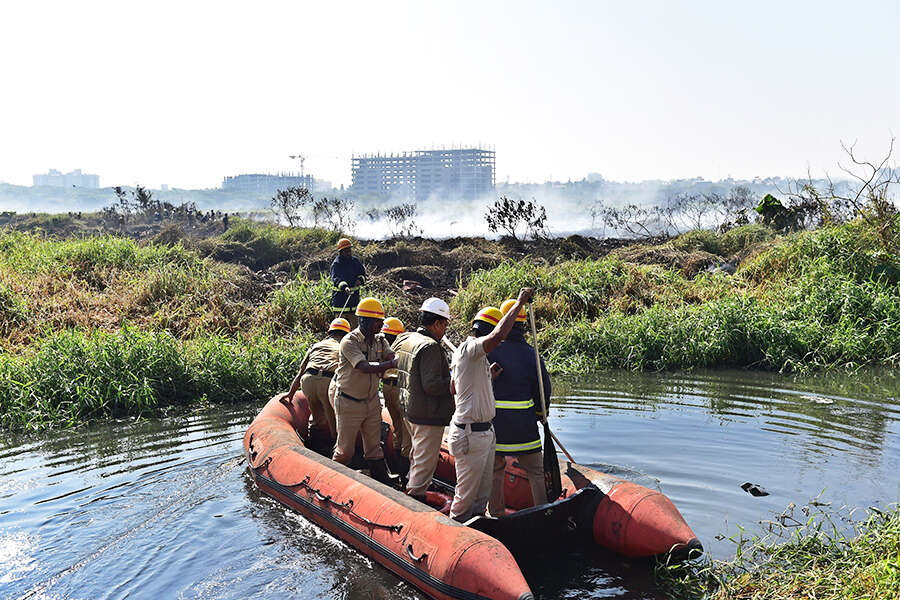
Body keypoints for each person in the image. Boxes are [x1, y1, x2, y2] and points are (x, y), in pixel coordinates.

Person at [447, 287, 534, 522]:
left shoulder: (475, 360)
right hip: (470, 434)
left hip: (484, 433)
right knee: (465, 499)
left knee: (481, 497)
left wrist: (487, 379)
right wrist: (519, 303)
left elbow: (455, 388)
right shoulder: (468, 349)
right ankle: (456, 534)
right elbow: (497, 337)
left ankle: (477, 528)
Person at [487, 299, 552, 515]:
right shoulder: (532, 355)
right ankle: (542, 513)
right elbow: (544, 390)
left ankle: (495, 514)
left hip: (497, 426)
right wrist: (541, 415)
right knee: (536, 471)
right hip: (525, 428)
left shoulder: (491, 352)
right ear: (523, 325)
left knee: (495, 470)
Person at [328, 297, 397, 485]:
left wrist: (392, 358)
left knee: (374, 448)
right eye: (377, 321)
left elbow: (391, 354)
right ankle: (333, 483)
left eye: (381, 321)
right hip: (349, 402)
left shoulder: (379, 340)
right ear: (364, 321)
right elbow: (363, 366)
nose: (380, 325)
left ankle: (382, 482)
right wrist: (390, 364)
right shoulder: (349, 341)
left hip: (371, 402)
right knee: (345, 451)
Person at [391, 298, 453, 502]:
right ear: (437, 323)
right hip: (428, 415)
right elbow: (432, 385)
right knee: (424, 465)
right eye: (444, 325)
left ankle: (410, 486)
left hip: (411, 410)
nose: (444, 330)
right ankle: (414, 499)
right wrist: (454, 383)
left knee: (417, 457)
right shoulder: (430, 347)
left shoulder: (409, 340)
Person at [284, 318, 350, 444]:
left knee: (315, 418)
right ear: (346, 334)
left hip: (308, 380)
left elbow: (301, 372)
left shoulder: (315, 346)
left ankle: (313, 445)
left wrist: (290, 394)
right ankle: (335, 451)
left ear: (329, 332)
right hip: (328, 381)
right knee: (334, 421)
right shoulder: (345, 346)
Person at [380, 317, 413, 465]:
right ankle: (404, 470)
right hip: (401, 387)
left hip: (387, 387)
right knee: (407, 432)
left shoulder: (387, 345)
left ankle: (395, 465)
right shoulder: (408, 340)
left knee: (397, 428)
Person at [330, 238, 366, 329]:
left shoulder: (355, 262)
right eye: (346, 250)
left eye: (349, 250)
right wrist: (344, 287)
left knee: (355, 329)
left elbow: (363, 274)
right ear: (341, 252)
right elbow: (336, 279)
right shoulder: (336, 264)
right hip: (340, 303)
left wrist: (360, 280)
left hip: (354, 302)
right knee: (340, 329)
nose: (348, 252)